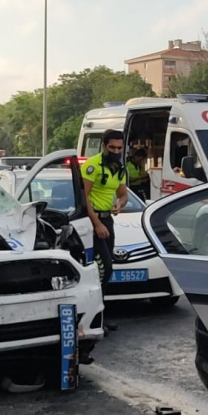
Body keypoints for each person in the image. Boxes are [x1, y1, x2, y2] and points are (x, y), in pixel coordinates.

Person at [82, 130, 128, 326]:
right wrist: (97, 223)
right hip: (92, 222)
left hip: (108, 220)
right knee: (104, 269)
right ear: (103, 145)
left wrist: (120, 203)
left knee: (106, 272)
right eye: (112, 147)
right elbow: (84, 198)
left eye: (119, 148)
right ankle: (91, 315)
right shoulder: (92, 166)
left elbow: (123, 194)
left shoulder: (118, 167)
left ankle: (99, 316)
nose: (116, 151)